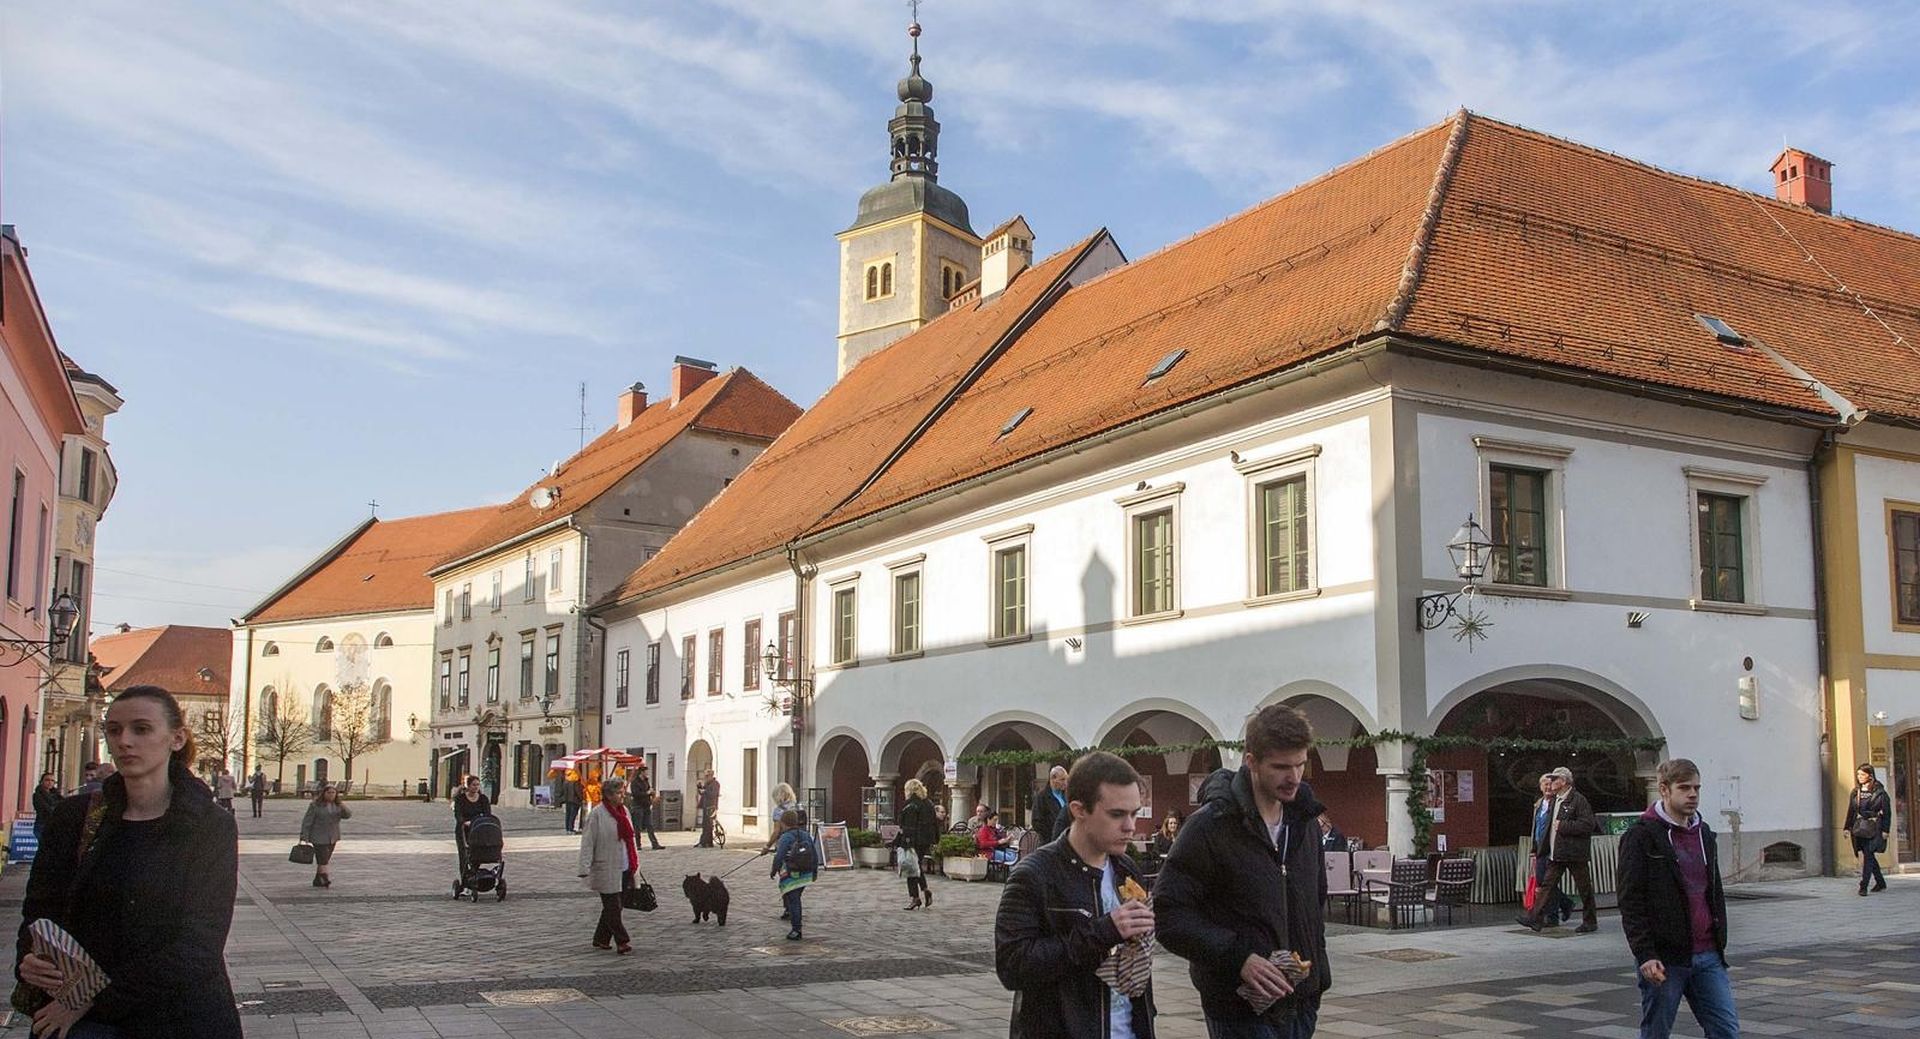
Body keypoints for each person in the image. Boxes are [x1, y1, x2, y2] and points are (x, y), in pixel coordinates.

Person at [15, 684, 243, 1038]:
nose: (124, 741)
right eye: (114, 730)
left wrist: (92, 999)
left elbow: (200, 943)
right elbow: (41, 910)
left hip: (177, 1015)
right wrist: (29, 959)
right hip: (81, 1020)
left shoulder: (208, 825)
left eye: (141, 729)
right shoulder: (75, 817)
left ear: (177, 738)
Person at [1156, 703, 1330, 1039]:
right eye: (1280, 767)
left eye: (1300, 764)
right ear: (1251, 761)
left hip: (1301, 1003)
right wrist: (1239, 959)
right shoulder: (1210, 827)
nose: (1293, 777)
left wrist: (1317, 975)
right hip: (1238, 1007)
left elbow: (1314, 902)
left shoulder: (1305, 823)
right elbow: (1169, 914)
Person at [995, 750, 1157, 1039]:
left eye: (1134, 813)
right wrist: (1103, 931)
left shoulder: (1127, 870)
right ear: (1079, 809)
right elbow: (1013, 967)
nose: (1130, 826)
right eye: (1117, 814)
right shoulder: (1035, 875)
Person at [1617, 758, 1737, 1039]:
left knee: (1725, 1030)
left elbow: (1712, 890)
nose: (1693, 794)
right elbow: (1630, 899)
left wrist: (1720, 939)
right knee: (1657, 1031)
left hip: (1708, 954)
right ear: (1664, 790)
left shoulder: (1703, 833)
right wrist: (1645, 953)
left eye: (1696, 788)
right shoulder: (1641, 836)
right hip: (1665, 957)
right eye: (1684, 788)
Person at [1518, 765, 1599, 934]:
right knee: (1546, 885)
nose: (1551, 782)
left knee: (1584, 888)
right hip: (1556, 853)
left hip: (1574, 853)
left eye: (1554, 779)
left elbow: (1588, 824)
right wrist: (1538, 848)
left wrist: (1564, 826)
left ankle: (1590, 921)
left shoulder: (1578, 800)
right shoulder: (1555, 800)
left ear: (1563, 781)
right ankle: (1535, 918)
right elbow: (1545, 827)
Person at [577, 775, 639, 954]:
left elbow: (630, 839)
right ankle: (622, 941)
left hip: (625, 865)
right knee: (613, 906)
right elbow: (588, 842)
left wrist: (635, 862)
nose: (622, 795)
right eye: (619, 793)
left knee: (615, 906)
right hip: (606, 866)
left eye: (622, 792)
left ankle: (601, 938)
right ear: (609, 795)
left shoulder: (624, 811)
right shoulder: (597, 814)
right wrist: (584, 867)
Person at [1528, 773, 1575, 927]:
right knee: (1544, 882)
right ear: (1540, 787)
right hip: (1540, 848)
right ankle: (1565, 903)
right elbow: (1536, 828)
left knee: (1547, 883)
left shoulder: (1557, 803)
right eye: (1544, 784)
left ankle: (1552, 916)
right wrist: (1533, 849)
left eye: (1550, 784)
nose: (1548, 787)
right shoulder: (1539, 804)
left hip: (1552, 848)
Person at [770, 808, 823, 941]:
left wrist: (773, 870)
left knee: (794, 901)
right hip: (806, 873)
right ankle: (791, 915)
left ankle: (796, 929)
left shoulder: (785, 837)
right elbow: (814, 854)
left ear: (783, 823)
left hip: (792, 873)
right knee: (794, 898)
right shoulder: (805, 835)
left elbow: (779, 856)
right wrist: (814, 871)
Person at [1844, 763, 1892, 896]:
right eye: (1858, 774)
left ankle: (1863, 885)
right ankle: (1881, 882)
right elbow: (1851, 811)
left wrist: (1885, 830)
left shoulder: (1880, 793)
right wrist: (1847, 827)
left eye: (1862, 774)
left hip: (1874, 828)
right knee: (1868, 855)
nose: (1859, 777)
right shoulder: (1856, 792)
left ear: (1870, 776)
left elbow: (1887, 813)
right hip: (1860, 827)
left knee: (1868, 855)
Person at [298, 783, 352, 887]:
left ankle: (318, 879)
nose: (331, 795)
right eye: (329, 792)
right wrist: (304, 835)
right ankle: (325, 877)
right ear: (324, 793)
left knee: (324, 859)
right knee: (323, 858)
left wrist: (342, 805)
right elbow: (307, 821)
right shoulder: (315, 805)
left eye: (333, 793)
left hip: (333, 836)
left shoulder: (337, 805)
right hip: (318, 836)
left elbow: (348, 815)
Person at [898, 778, 940, 910]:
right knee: (917, 866)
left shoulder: (910, 804)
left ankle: (915, 898)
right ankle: (925, 889)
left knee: (911, 867)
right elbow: (935, 823)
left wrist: (904, 841)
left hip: (913, 840)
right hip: (926, 840)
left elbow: (908, 826)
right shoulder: (928, 803)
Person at [453, 774, 492, 879]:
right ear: (468, 786)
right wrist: (464, 822)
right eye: (474, 785)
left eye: (478, 785)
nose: (476, 787)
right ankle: (465, 880)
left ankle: (474, 876)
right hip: (464, 831)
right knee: (464, 856)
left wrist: (480, 821)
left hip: (478, 829)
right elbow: (458, 814)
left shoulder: (483, 799)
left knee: (477, 855)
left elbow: (487, 813)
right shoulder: (460, 799)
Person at [1031, 765, 1069, 844]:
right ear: (1053, 779)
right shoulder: (1042, 797)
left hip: (1066, 840)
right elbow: (1036, 822)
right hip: (1049, 842)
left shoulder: (1066, 796)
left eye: (1066, 779)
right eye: (1062, 779)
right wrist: (1052, 835)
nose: (1065, 783)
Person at [631, 763, 665, 850]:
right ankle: (638, 845)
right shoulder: (635, 782)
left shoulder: (646, 781)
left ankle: (655, 844)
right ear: (641, 772)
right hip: (638, 806)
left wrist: (652, 794)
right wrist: (647, 793)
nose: (647, 773)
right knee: (637, 826)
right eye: (646, 771)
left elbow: (649, 790)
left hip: (646, 805)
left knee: (650, 825)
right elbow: (635, 794)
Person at [765, 782, 800, 852]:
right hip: (800, 842)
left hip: (784, 842)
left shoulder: (778, 811)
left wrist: (767, 846)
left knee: (781, 861)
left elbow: (776, 832)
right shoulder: (798, 807)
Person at [30, 773, 60, 841]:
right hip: (42, 825)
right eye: (47, 780)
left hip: (54, 825)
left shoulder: (56, 795)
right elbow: (45, 809)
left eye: (52, 780)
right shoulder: (37, 795)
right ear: (41, 781)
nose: (50, 782)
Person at [696, 769, 721, 847]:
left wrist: (705, 791)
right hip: (705, 805)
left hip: (711, 806)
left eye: (707, 776)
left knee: (708, 825)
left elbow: (714, 794)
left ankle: (705, 842)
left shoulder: (715, 784)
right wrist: (699, 787)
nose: (706, 777)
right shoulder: (707, 783)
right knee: (705, 824)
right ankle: (705, 841)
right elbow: (702, 792)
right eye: (705, 776)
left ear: (711, 775)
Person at [558, 769, 583, 835]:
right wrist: (582, 798)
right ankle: (571, 829)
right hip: (575, 800)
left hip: (567, 800)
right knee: (573, 815)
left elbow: (562, 790)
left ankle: (567, 829)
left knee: (568, 815)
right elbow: (578, 791)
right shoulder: (575, 781)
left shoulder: (566, 781)